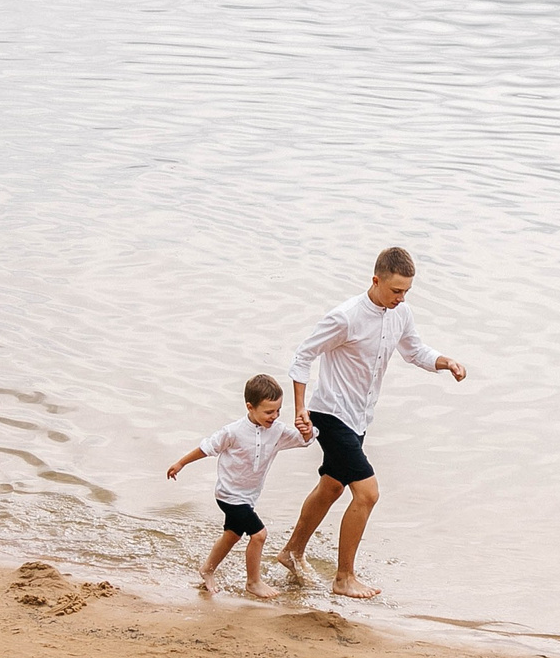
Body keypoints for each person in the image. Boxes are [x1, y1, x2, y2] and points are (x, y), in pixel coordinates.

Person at [275, 246, 466, 600]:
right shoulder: (345, 317)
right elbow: (303, 356)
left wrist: (446, 361)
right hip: (330, 413)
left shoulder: (401, 313)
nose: (401, 298)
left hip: (360, 418)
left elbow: (414, 351)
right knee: (367, 493)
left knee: (332, 487)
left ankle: (291, 553)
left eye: (406, 291)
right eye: (395, 290)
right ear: (376, 280)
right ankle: (344, 577)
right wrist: (300, 409)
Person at [167, 373, 312, 600]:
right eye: (268, 412)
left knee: (232, 535)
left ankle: (207, 569)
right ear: (250, 407)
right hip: (229, 495)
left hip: (248, 497)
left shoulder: (277, 431)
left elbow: (305, 440)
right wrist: (180, 463)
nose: (274, 416)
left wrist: (307, 429)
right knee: (259, 535)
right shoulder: (233, 432)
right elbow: (206, 448)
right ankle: (253, 582)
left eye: (278, 411)